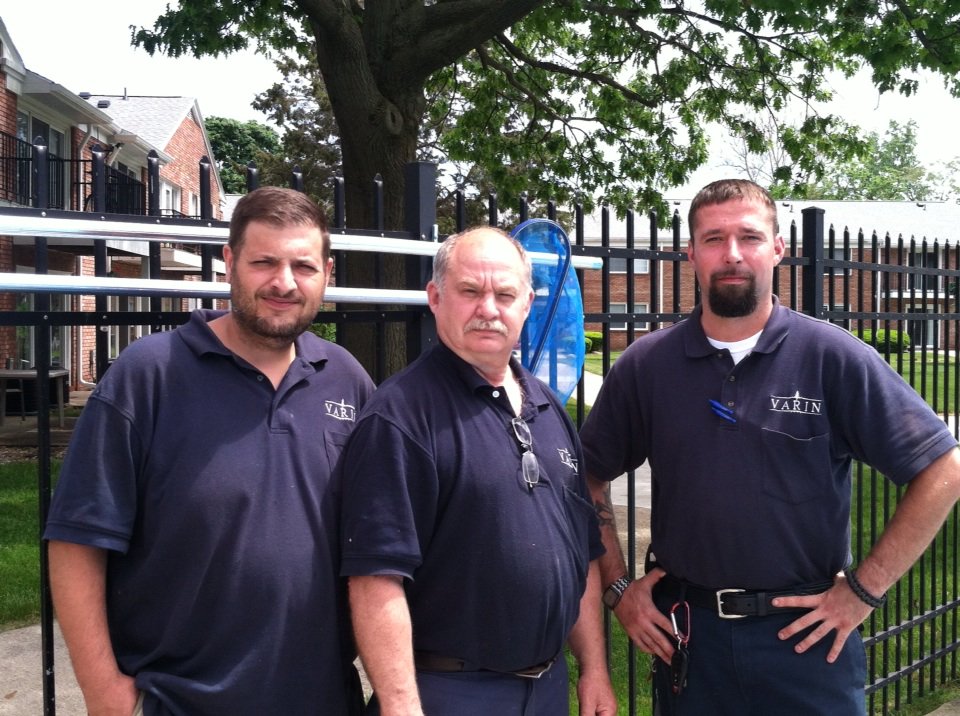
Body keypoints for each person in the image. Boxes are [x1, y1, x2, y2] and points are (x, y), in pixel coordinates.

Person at [580, 178, 960, 715]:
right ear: (691, 253)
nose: (732, 254)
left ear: (778, 249)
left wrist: (865, 589)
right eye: (713, 239)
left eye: (749, 237)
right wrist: (619, 590)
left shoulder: (832, 357)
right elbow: (585, 475)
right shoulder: (647, 366)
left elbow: (944, 468)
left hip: (807, 640)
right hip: (690, 637)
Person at [44, 186, 375, 715]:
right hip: (178, 701)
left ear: (327, 273)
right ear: (229, 263)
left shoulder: (347, 381)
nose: (284, 283)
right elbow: (75, 543)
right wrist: (104, 692)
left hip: (323, 698)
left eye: (303, 266)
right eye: (264, 262)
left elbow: (379, 542)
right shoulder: (148, 376)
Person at [339, 227, 616, 715]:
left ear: (527, 303)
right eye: (470, 291)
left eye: (504, 294)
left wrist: (593, 668)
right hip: (449, 693)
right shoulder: (400, 418)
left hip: (547, 687)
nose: (488, 308)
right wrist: (402, 707)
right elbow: (375, 579)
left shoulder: (547, 406)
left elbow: (584, 551)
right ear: (435, 297)